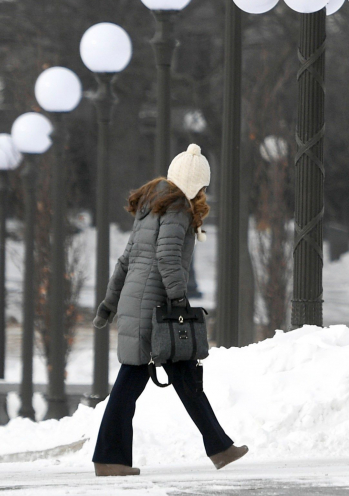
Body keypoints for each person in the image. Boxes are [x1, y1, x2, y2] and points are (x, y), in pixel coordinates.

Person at [91, 144, 247, 476]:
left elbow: (125, 260)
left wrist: (109, 303)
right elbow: (167, 258)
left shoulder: (153, 206)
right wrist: (179, 302)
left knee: (182, 375)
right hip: (156, 307)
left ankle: (220, 447)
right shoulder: (176, 208)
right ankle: (109, 459)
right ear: (196, 183)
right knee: (136, 381)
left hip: (140, 302)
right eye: (204, 185)